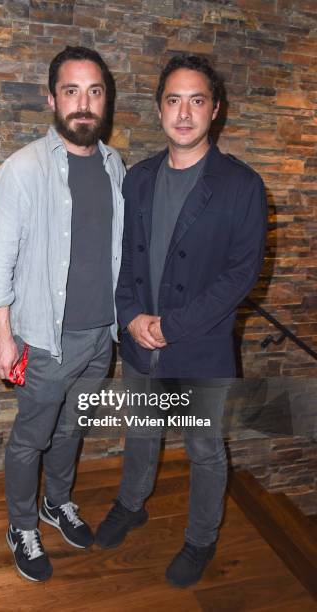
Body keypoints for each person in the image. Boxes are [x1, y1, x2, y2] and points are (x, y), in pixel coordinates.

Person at [96, 54, 267, 588]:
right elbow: (120, 260)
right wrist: (129, 318)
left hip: (200, 347)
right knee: (142, 432)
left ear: (215, 110)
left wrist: (171, 325)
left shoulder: (242, 186)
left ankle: (200, 537)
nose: (185, 112)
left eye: (197, 100)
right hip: (142, 342)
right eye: (174, 100)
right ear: (159, 109)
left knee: (204, 449)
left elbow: (239, 275)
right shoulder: (138, 179)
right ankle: (132, 504)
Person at [0, 46, 124, 582]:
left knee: (71, 432)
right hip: (42, 341)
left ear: (105, 101)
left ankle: (55, 503)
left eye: (94, 91)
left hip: (98, 338)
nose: (83, 103)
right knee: (31, 438)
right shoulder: (22, 169)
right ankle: (21, 525)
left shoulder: (114, 165)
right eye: (71, 91)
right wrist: (3, 336)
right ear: (52, 99)